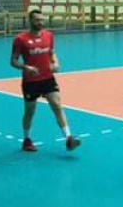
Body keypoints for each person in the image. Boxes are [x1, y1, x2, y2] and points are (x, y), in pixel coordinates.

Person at [10, 9, 81, 153]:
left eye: (42, 19)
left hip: (48, 78)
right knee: (29, 112)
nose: (40, 22)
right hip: (31, 82)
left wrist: (56, 62)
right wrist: (26, 67)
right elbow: (13, 61)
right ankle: (26, 139)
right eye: (37, 20)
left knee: (57, 105)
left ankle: (69, 138)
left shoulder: (49, 35)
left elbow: (52, 52)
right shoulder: (20, 39)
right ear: (30, 21)